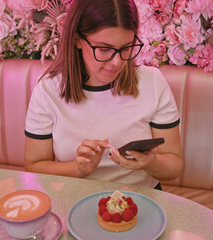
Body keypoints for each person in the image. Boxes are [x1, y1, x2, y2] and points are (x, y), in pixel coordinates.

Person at [24, 0, 183, 189]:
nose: (116, 62)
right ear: (77, 40)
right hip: (75, 197)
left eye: (126, 48)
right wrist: (77, 169)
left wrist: (151, 162)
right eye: (104, 49)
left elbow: (174, 167)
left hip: (141, 198)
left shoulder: (153, 82)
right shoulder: (48, 90)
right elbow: (34, 165)